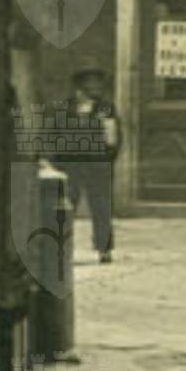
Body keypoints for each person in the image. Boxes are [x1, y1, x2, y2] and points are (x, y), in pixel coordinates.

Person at [59, 65, 122, 263]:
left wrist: (107, 158)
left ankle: (104, 248)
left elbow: (113, 137)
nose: (94, 87)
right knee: (66, 206)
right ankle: (62, 248)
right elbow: (55, 134)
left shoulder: (105, 108)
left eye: (97, 82)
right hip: (71, 165)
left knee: (101, 206)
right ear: (79, 86)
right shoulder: (65, 108)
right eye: (89, 83)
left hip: (97, 164)